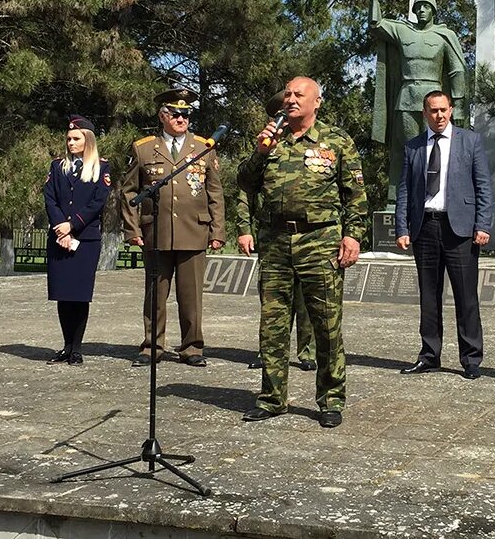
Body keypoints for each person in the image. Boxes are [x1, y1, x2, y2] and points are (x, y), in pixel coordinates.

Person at [237, 76, 368, 428]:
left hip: (320, 241)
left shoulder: (336, 141)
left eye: (299, 95)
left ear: (317, 102)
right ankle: (272, 398)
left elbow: (355, 196)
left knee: (326, 325)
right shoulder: (271, 139)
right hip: (276, 243)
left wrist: (353, 237)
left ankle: (330, 398)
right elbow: (245, 182)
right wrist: (261, 151)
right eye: (288, 95)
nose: (291, 100)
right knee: (272, 325)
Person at [121, 88, 225, 367]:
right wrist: (132, 230)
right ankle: (152, 346)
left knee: (191, 295)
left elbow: (214, 192)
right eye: (176, 114)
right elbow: (129, 192)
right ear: (162, 116)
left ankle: (192, 347)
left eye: (186, 114)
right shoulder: (143, 148)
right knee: (155, 292)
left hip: (195, 230)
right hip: (156, 231)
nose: (182, 119)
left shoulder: (203, 147)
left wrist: (218, 231)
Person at [394, 90, 492, 380]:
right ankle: (429, 355)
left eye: (443, 110)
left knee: (466, 297)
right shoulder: (413, 147)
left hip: (460, 229)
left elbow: (483, 186)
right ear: (425, 113)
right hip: (425, 227)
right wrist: (402, 227)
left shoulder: (470, 141)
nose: (439, 116)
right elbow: (404, 190)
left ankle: (471, 358)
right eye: (433, 111)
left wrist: (483, 225)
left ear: (451, 110)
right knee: (428, 296)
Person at [237, 90, 316, 373]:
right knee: (271, 303)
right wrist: (244, 229)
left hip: (309, 239)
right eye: (278, 113)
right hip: (273, 238)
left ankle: (306, 350)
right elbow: (246, 189)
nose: (281, 118)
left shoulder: (313, 141)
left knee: (306, 300)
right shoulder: (266, 144)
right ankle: (267, 351)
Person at [371, 0, 467, 204]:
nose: (422, 10)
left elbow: (456, 71)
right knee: (404, 151)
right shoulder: (403, 31)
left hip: (434, 101)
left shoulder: (444, 36)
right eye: (418, 7)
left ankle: (432, 198)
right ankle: (398, 199)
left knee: (434, 150)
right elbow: (376, 24)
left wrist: (458, 106)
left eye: (426, 6)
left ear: (433, 10)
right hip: (406, 98)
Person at [43, 115, 112, 366]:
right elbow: (50, 198)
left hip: (86, 238)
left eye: (76, 139)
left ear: (88, 140)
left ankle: (77, 348)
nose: (71, 143)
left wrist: (72, 225)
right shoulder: (57, 166)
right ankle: (65, 345)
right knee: (63, 294)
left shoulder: (101, 168)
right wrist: (61, 228)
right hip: (59, 238)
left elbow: (98, 202)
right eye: (69, 139)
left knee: (80, 295)